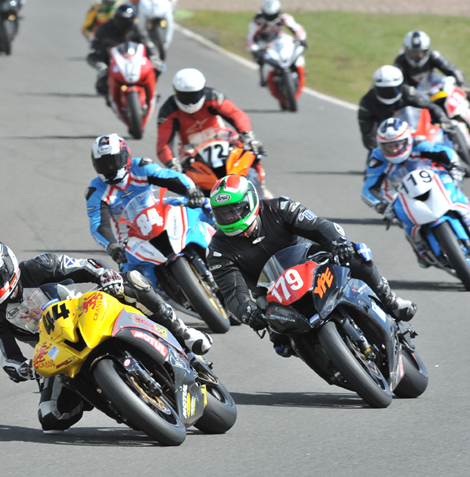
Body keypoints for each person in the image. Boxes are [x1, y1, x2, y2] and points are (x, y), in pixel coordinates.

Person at [0, 241, 212, 431]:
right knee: (51, 417)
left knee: (132, 284)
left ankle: (183, 334)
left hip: (85, 313)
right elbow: (7, 357)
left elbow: (83, 265)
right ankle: (109, 396)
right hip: (55, 349)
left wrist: (103, 275)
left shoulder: (39, 266)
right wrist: (21, 369)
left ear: (8, 267)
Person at [205, 175, 417, 357]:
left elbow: (319, 225)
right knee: (282, 344)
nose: (231, 217)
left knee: (357, 254)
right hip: (271, 294)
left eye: (235, 210)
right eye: (224, 213)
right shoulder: (218, 250)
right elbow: (232, 292)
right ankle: (329, 361)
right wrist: (247, 312)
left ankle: (390, 300)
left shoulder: (279, 207)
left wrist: (339, 243)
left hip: (312, 264)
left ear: (250, 202)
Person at [362, 117, 470, 266]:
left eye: (397, 144)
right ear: (381, 145)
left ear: (407, 140)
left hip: (433, 181)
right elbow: (368, 189)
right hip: (401, 192)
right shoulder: (378, 158)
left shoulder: (418, 143)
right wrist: (380, 205)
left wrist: (455, 167)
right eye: (388, 146)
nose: (393, 149)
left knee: (457, 196)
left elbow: (444, 153)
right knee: (403, 219)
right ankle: (421, 251)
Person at [85, 133, 206, 264]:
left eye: (114, 161)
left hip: (160, 216)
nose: (109, 168)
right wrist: (112, 246)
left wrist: (191, 190)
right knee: (130, 274)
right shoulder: (95, 191)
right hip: (130, 238)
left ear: (125, 156)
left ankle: (222, 244)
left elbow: (171, 177)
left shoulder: (142, 167)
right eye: (103, 164)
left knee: (204, 205)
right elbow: (99, 225)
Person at [156, 68, 268, 194]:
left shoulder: (213, 96)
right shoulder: (167, 111)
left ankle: (260, 181)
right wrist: (171, 162)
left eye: (194, 95)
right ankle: (196, 197)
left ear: (202, 90)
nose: (190, 101)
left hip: (220, 135)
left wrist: (247, 134)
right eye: (184, 95)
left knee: (251, 147)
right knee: (182, 174)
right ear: (176, 92)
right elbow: (163, 143)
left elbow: (236, 114)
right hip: (190, 146)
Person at [358, 65, 450, 155]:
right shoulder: (367, 103)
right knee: (372, 164)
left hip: (414, 137)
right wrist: (380, 150)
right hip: (388, 143)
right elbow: (368, 134)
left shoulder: (408, 92)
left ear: (400, 86)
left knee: (444, 142)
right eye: (384, 91)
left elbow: (429, 106)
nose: (389, 94)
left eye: (393, 90)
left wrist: (442, 118)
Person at [87, 2, 161, 97]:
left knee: (158, 68)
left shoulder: (137, 29)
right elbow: (93, 54)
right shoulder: (104, 30)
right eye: (121, 20)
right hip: (112, 66)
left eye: (127, 21)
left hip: (136, 63)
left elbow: (149, 45)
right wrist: (100, 65)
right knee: (102, 87)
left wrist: (154, 58)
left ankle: (152, 90)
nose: (123, 23)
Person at [245, 0, 307, 89]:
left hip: (278, 36)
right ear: (263, 12)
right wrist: (255, 50)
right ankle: (263, 76)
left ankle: (298, 70)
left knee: (294, 46)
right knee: (260, 58)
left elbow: (297, 28)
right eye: (268, 16)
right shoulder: (257, 21)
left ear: (278, 11)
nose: (271, 19)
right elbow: (250, 38)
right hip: (263, 41)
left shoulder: (284, 17)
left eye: (273, 15)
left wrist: (302, 39)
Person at [393, 30, 468, 91]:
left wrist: (461, 83)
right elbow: (402, 87)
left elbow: (454, 70)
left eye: (420, 52)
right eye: (413, 53)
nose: (417, 56)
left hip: (434, 89)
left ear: (427, 50)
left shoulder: (433, 56)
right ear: (406, 51)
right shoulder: (400, 63)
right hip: (415, 97)